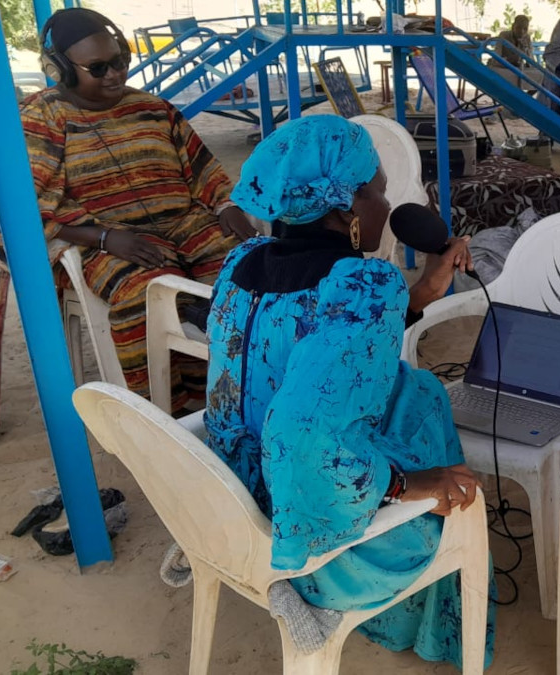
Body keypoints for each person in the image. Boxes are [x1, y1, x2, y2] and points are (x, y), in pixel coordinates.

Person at [204, 115, 494, 667]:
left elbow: (326, 342)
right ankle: (362, 603)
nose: (388, 206)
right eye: (379, 191)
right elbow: (302, 434)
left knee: (419, 389)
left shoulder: (240, 261)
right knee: (429, 427)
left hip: (228, 497)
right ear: (346, 208)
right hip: (306, 527)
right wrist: (408, 483)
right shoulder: (362, 282)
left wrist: (424, 293)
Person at [21, 7, 256, 408]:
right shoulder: (42, 118)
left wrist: (225, 204)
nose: (114, 74)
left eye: (119, 61)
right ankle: (164, 407)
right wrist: (106, 238)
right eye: (98, 68)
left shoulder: (153, 108)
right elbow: (29, 204)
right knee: (147, 293)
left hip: (184, 221)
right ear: (62, 68)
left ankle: (221, 395)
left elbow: (201, 167)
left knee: (246, 270)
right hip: (102, 237)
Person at [488, 14, 543, 91]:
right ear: (513, 26)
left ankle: (525, 99)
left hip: (518, 68)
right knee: (498, 74)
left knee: (541, 76)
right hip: (503, 68)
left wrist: (525, 50)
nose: (522, 31)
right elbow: (497, 59)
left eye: (525, 29)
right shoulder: (503, 36)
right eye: (518, 28)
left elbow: (530, 62)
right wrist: (510, 60)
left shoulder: (527, 38)